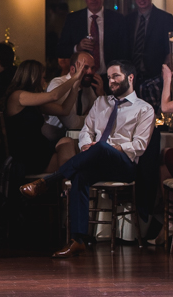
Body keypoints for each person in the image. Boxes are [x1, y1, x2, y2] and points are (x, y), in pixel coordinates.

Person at [20, 60, 155, 258]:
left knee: (102, 146)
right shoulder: (101, 102)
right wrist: (85, 145)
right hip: (98, 160)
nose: (111, 81)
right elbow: (86, 131)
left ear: (130, 78)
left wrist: (114, 147)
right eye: (109, 77)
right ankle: (78, 240)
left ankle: (49, 181)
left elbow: (140, 146)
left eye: (116, 76)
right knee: (80, 176)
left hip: (124, 165)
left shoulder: (144, 109)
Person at [4, 58, 85, 176]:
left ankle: (66, 186)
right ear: (33, 78)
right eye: (42, 77)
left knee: (67, 142)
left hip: (40, 148)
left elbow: (64, 110)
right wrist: (73, 78)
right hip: (27, 154)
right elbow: (54, 95)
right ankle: (67, 186)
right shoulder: (17, 96)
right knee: (75, 163)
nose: (44, 82)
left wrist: (75, 86)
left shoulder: (33, 101)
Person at [56, 0, 127, 75]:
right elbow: (60, 50)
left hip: (109, 78)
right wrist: (78, 47)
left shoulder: (117, 19)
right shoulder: (73, 19)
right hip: (81, 78)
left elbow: (124, 52)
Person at [42, 51, 102, 157]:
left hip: (80, 140)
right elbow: (71, 124)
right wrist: (89, 116)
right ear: (73, 69)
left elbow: (100, 118)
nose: (90, 72)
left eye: (92, 68)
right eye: (85, 67)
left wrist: (101, 96)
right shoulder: (59, 84)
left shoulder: (88, 88)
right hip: (55, 142)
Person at [124, 0, 173, 85]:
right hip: (131, 80)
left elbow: (171, 50)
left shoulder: (165, 19)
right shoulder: (127, 20)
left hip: (156, 80)